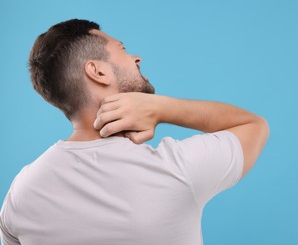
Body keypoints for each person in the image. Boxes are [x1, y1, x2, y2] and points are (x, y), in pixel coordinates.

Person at [0, 19, 270, 245]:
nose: (136, 57)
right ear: (98, 71)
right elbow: (254, 126)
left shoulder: (22, 192)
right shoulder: (175, 169)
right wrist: (162, 108)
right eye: (123, 49)